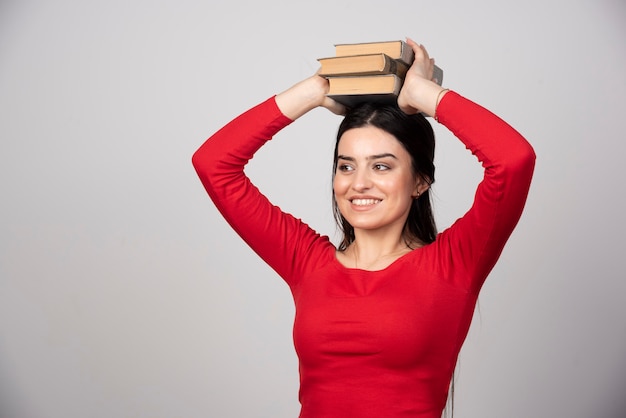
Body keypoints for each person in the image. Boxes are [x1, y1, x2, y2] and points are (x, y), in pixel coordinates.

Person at [192, 39, 535, 418]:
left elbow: (513, 160)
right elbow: (213, 164)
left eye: (382, 166)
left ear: (420, 181)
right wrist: (316, 90)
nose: (359, 183)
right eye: (346, 165)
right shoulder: (306, 262)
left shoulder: (454, 264)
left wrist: (425, 95)